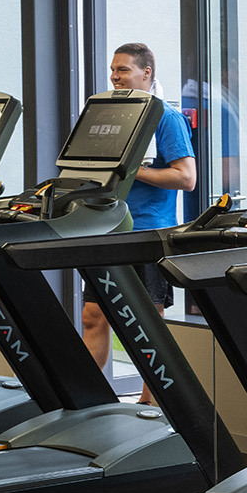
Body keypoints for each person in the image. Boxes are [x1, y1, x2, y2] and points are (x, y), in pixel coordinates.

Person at [78, 42, 195, 399]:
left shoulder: (166, 118)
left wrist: (135, 170)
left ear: (147, 73)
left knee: (147, 326)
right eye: (113, 70)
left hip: (146, 232)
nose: (115, 76)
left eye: (123, 69)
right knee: (93, 317)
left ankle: (153, 403)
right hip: (106, 229)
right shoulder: (110, 116)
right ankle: (83, 398)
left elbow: (186, 178)